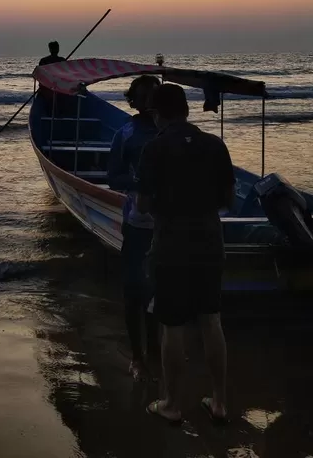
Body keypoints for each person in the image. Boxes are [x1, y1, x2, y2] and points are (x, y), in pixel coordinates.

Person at [136, 83, 234, 426]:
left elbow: (143, 204)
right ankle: (219, 402)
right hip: (210, 239)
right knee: (211, 319)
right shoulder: (215, 145)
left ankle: (172, 404)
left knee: (172, 324)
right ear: (188, 110)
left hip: (171, 243)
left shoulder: (154, 148)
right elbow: (229, 199)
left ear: (157, 114)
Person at [107, 75, 161, 381]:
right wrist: (140, 184)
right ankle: (138, 357)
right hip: (137, 224)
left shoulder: (171, 132)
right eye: (143, 97)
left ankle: (156, 352)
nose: (149, 103)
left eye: (155, 97)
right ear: (134, 101)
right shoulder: (125, 133)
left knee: (160, 291)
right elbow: (113, 176)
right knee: (133, 291)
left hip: (169, 225)